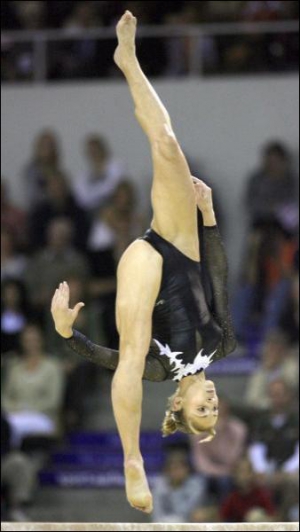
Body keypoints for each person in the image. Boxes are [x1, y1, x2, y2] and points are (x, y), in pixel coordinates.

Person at [51, 11, 236, 514]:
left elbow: (107, 359)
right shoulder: (224, 346)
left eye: (201, 410)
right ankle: (128, 62)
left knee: (130, 354)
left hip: (147, 268)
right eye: (214, 408)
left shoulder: (159, 372)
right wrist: (209, 217)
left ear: (177, 405)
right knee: (168, 145)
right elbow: (218, 281)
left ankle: (132, 459)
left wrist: (68, 335)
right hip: (183, 245)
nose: (211, 402)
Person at [190, 396, 248, 502]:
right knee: (199, 482)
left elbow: (233, 459)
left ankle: (225, 515)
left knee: (225, 481)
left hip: (230, 472)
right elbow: (200, 462)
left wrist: (221, 434)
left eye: (223, 410)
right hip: (208, 472)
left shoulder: (238, 429)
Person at [152, 449, 207, 523]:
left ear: (187, 469)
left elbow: (190, 510)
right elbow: (157, 514)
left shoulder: (196, 485)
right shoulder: (159, 487)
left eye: (180, 468)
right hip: (165, 524)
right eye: (174, 469)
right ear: (167, 471)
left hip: (188, 524)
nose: (177, 472)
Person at [220, 456, 276, 523]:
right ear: (235, 476)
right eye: (240, 472)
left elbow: (273, 516)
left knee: (255, 516)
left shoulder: (261, 494)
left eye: (246, 472)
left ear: (252, 474)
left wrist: (262, 520)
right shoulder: (232, 498)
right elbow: (221, 517)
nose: (243, 476)